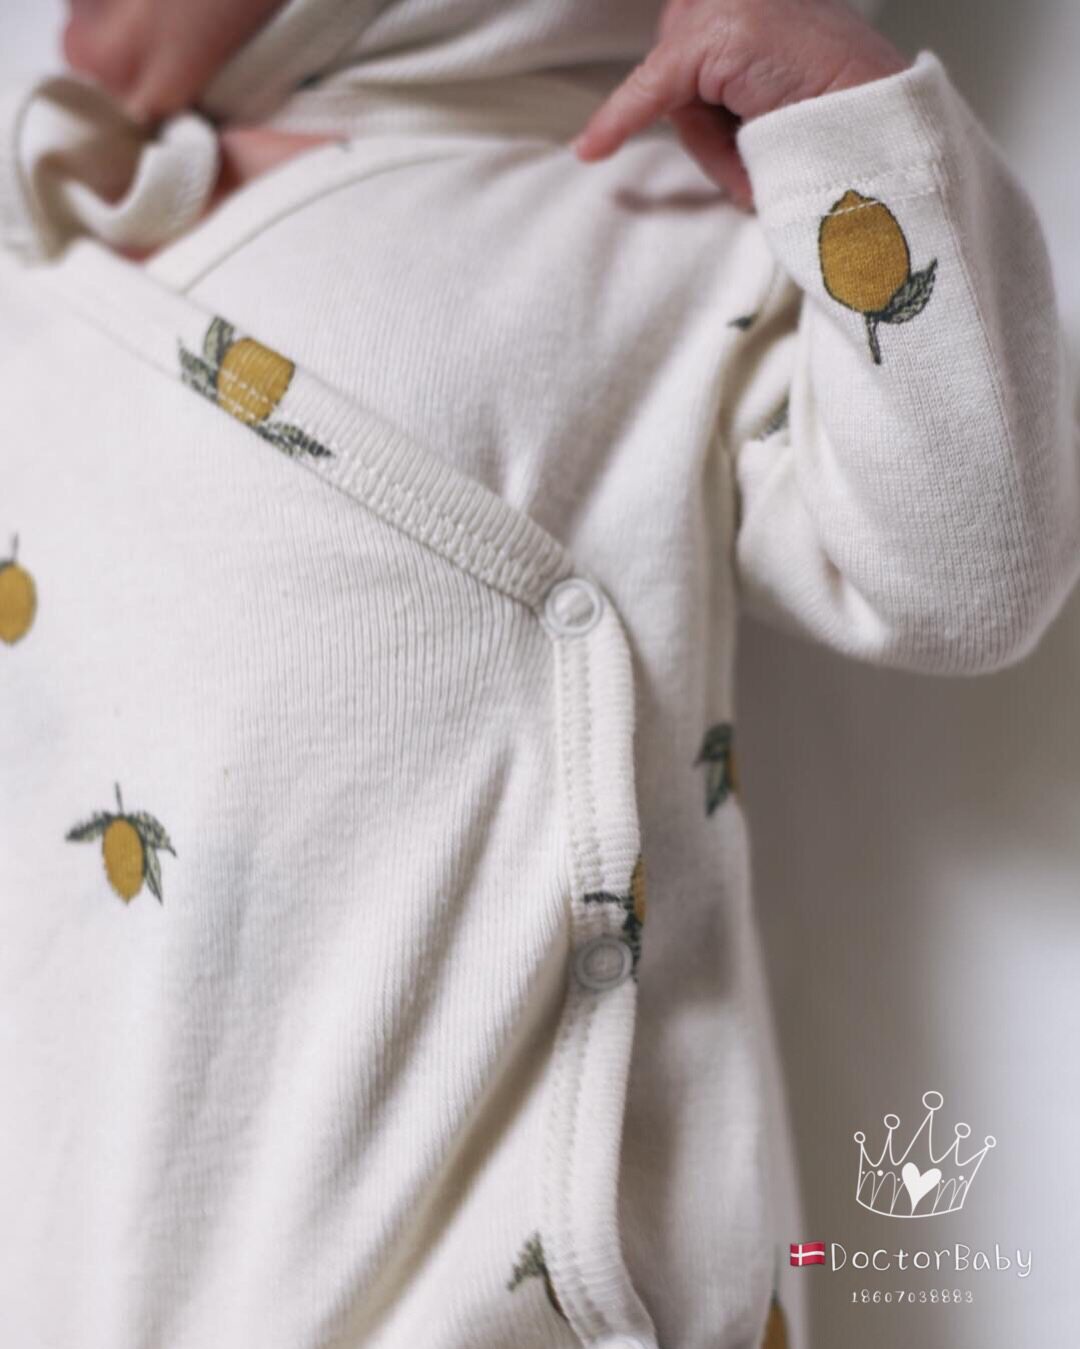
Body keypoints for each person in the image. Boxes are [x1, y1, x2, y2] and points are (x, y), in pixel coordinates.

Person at [1, 2, 1076, 1347]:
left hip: (508, 1296)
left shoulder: (654, 226)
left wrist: (844, 121)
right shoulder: (57, 253)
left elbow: (966, 576)